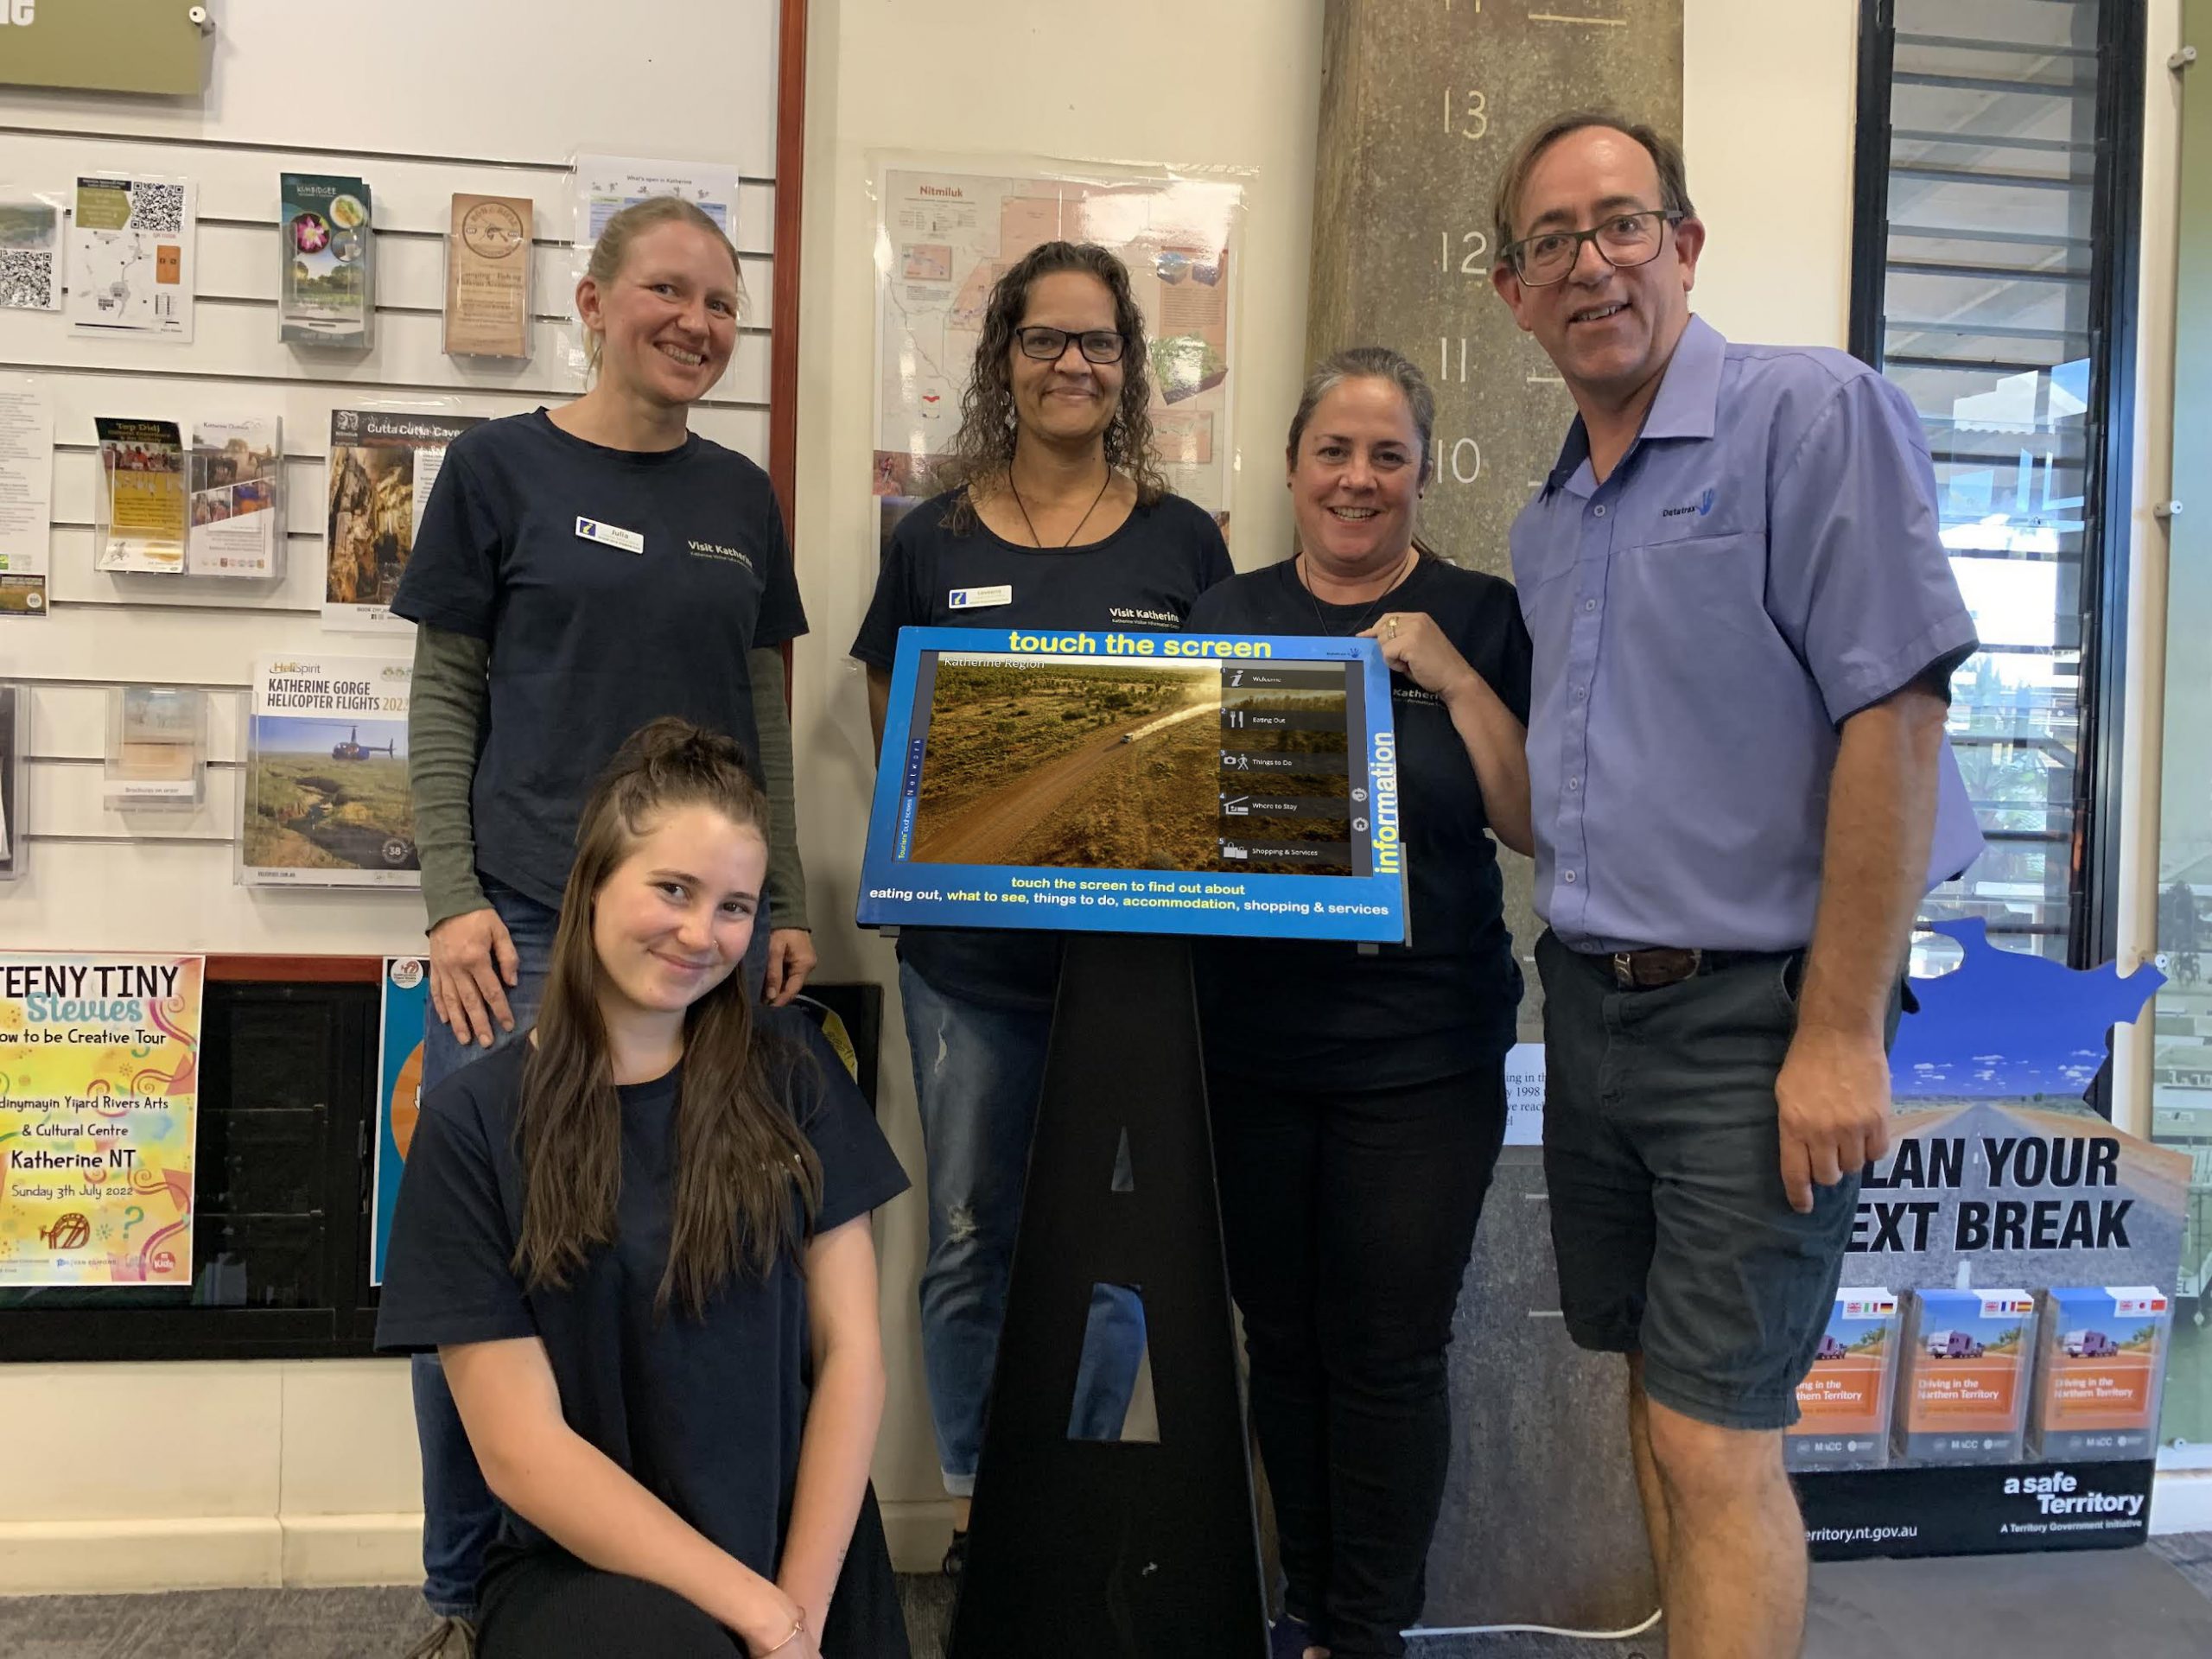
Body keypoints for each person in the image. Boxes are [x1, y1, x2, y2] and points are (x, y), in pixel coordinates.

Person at [1490, 111, 1983, 1657]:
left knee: (1718, 1441)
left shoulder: (1811, 413)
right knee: (1652, 1395)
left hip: (1755, 1026)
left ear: (1685, 248)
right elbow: (1569, 806)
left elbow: (1898, 717)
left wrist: (1840, 1033)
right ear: (1515, 293)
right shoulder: (1550, 522)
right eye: (1553, 242)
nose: (1591, 263)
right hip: (1596, 1016)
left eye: (1621, 224)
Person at [390, 195, 818, 1651]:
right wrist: (450, 903)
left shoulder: (740, 500)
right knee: (476, 1266)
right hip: (517, 929)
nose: (698, 323)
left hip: (697, 944)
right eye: (669, 292)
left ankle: (684, 1562)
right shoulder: (496, 468)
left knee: (702, 1258)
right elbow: (445, 695)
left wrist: (788, 902)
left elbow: (760, 711)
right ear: (592, 297)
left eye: (722, 304)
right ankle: (465, 1588)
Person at [851, 240, 1232, 1570]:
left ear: (1128, 369)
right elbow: (890, 712)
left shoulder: (1186, 540)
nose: (1073, 363)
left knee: (1114, 1243)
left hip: (1132, 965)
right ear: (1002, 360)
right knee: (969, 1236)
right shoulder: (935, 536)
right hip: (968, 965)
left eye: (1099, 343)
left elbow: (1216, 727)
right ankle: (976, 1507)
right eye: (1045, 340)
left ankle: (1061, 1503)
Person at [376, 719, 911, 1659]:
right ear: (593, 883)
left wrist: (799, 1610)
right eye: (673, 889)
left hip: (802, 1545)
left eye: (736, 907)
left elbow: (853, 1358)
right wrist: (761, 1620)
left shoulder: (796, 1081)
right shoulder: (469, 1127)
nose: (702, 935)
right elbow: (520, 1452)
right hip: (586, 1569)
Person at [1185, 347, 1532, 1659]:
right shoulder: (1223, 612)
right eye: (1335, 451)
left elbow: (1530, 821)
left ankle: (1369, 1631)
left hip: (1423, 1053)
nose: (1358, 478)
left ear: (1423, 475)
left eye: (1389, 455)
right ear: (1290, 467)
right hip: (1252, 1043)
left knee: (1387, 1350)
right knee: (1280, 1339)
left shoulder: (1481, 614)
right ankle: (1308, 1611)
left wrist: (1449, 672)